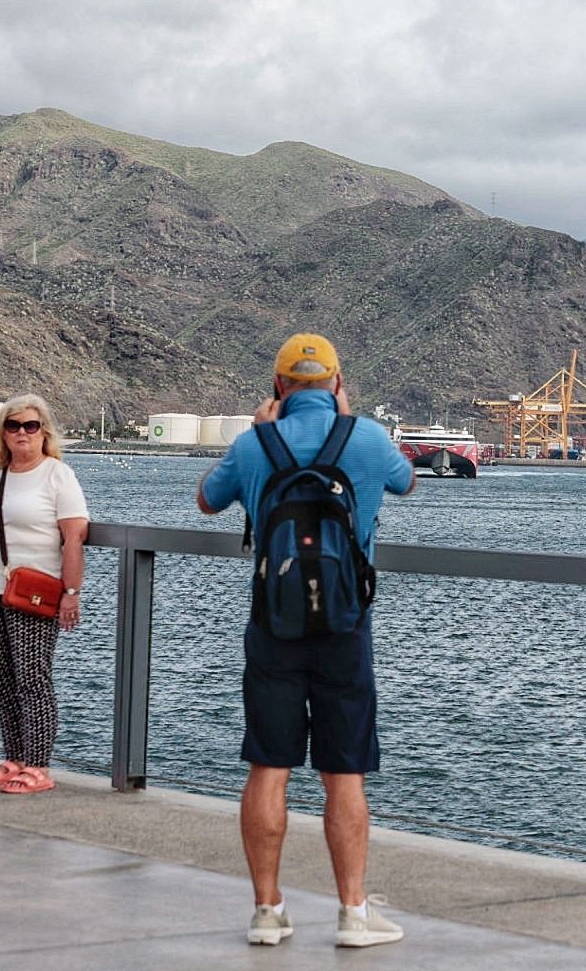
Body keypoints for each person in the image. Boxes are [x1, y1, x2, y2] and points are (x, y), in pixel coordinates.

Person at [198, 333, 416, 949]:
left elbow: (207, 501)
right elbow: (406, 483)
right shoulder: (368, 437)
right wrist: (349, 424)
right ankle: (352, 913)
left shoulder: (255, 443)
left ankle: (267, 911)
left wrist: (260, 433)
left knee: (269, 766)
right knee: (344, 774)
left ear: (279, 387)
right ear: (337, 385)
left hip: (274, 625)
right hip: (346, 627)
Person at [0, 394, 89, 795]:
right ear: (3, 434)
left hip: (34, 590)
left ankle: (38, 766)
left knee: (32, 679)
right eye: (13, 426)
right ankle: (14, 758)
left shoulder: (56, 475)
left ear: (43, 430)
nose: (22, 433)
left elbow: (74, 537)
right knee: (3, 679)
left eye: (30, 426)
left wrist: (72, 592)